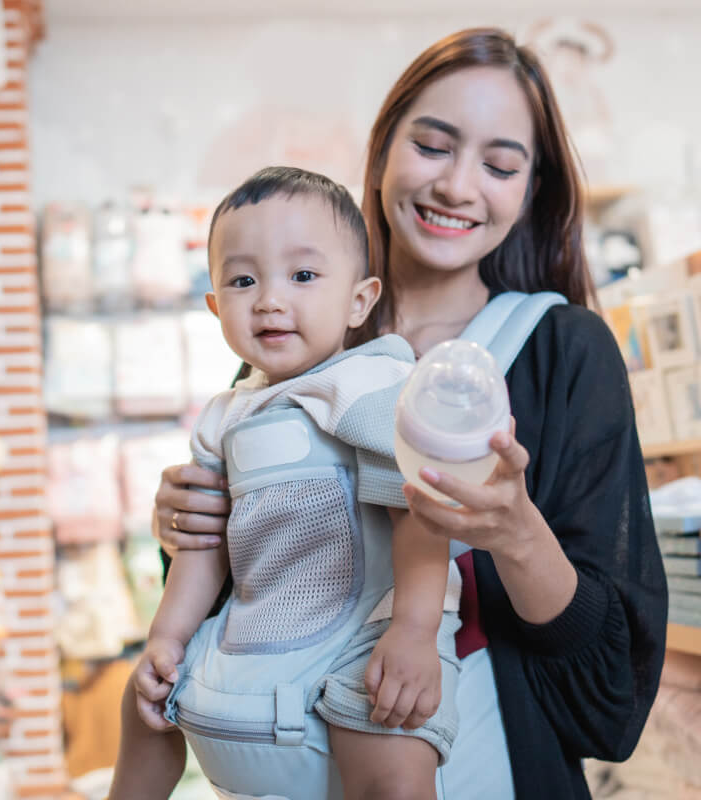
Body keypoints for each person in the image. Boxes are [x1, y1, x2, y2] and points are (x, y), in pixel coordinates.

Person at [112, 26, 668, 800]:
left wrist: (513, 530)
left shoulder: (563, 352)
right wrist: (186, 522)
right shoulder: (293, 336)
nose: (458, 186)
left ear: (530, 189)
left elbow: (612, 689)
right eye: (434, 146)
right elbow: (252, 578)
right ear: (383, 151)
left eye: (500, 164)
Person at [111, 166, 463, 800]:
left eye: (302, 276)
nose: (270, 300)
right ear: (216, 306)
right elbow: (203, 546)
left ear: (360, 300)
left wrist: (414, 631)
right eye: (243, 280)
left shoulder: (370, 384)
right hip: (264, 623)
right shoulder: (225, 415)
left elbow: (419, 513)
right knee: (141, 704)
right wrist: (165, 640)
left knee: (386, 743)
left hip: (373, 622)